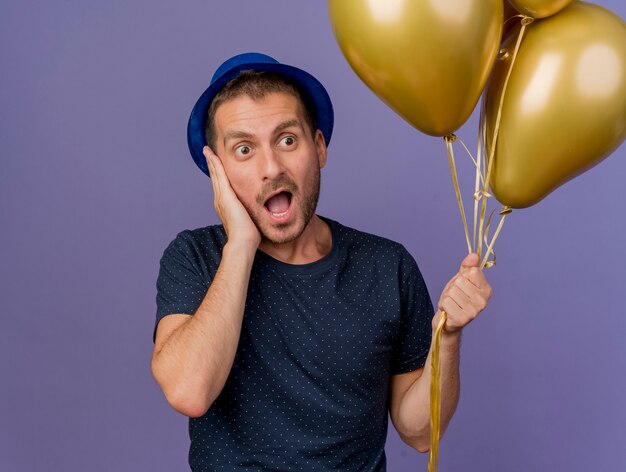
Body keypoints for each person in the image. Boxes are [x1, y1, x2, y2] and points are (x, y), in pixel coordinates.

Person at [151, 53, 492, 471]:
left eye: (287, 140)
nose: (271, 167)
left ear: (319, 147)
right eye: (244, 149)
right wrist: (240, 242)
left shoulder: (387, 266)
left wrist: (449, 337)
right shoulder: (193, 258)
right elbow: (189, 391)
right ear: (217, 171)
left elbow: (420, 433)